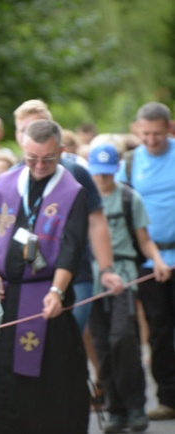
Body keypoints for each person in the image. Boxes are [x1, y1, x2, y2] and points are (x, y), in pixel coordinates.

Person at [0, 119, 90, 433]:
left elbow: (72, 247)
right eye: (32, 159)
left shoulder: (72, 192)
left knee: (49, 379)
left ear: (61, 151)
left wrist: (57, 291)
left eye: (48, 159)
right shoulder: (4, 183)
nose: (39, 166)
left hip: (45, 297)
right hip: (5, 296)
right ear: (23, 150)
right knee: (2, 377)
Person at [13, 99, 124, 336]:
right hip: (26, 278)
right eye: (26, 130)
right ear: (18, 136)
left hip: (76, 274)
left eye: (40, 126)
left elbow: (96, 222)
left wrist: (106, 269)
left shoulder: (76, 172)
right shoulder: (11, 177)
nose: (35, 134)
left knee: (69, 340)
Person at [88, 143, 171, 432]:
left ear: (116, 170)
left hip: (123, 275)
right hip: (93, 279)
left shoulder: (127, 197)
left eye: (106, 175)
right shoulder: (84, 198)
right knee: (102, 345)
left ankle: (135, 405)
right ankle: (116, 408)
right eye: (96, 174)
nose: (101, 180)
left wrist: (158, 260)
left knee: (123, 339)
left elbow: (144, 238)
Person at [117, 101, 175, 420]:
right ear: (137, 130)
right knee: (159, 329)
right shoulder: (129, 163)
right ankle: (168, 396)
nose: (151, 140)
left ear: (169, 128)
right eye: (145, 134)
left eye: (157, 134)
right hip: (150, 259)